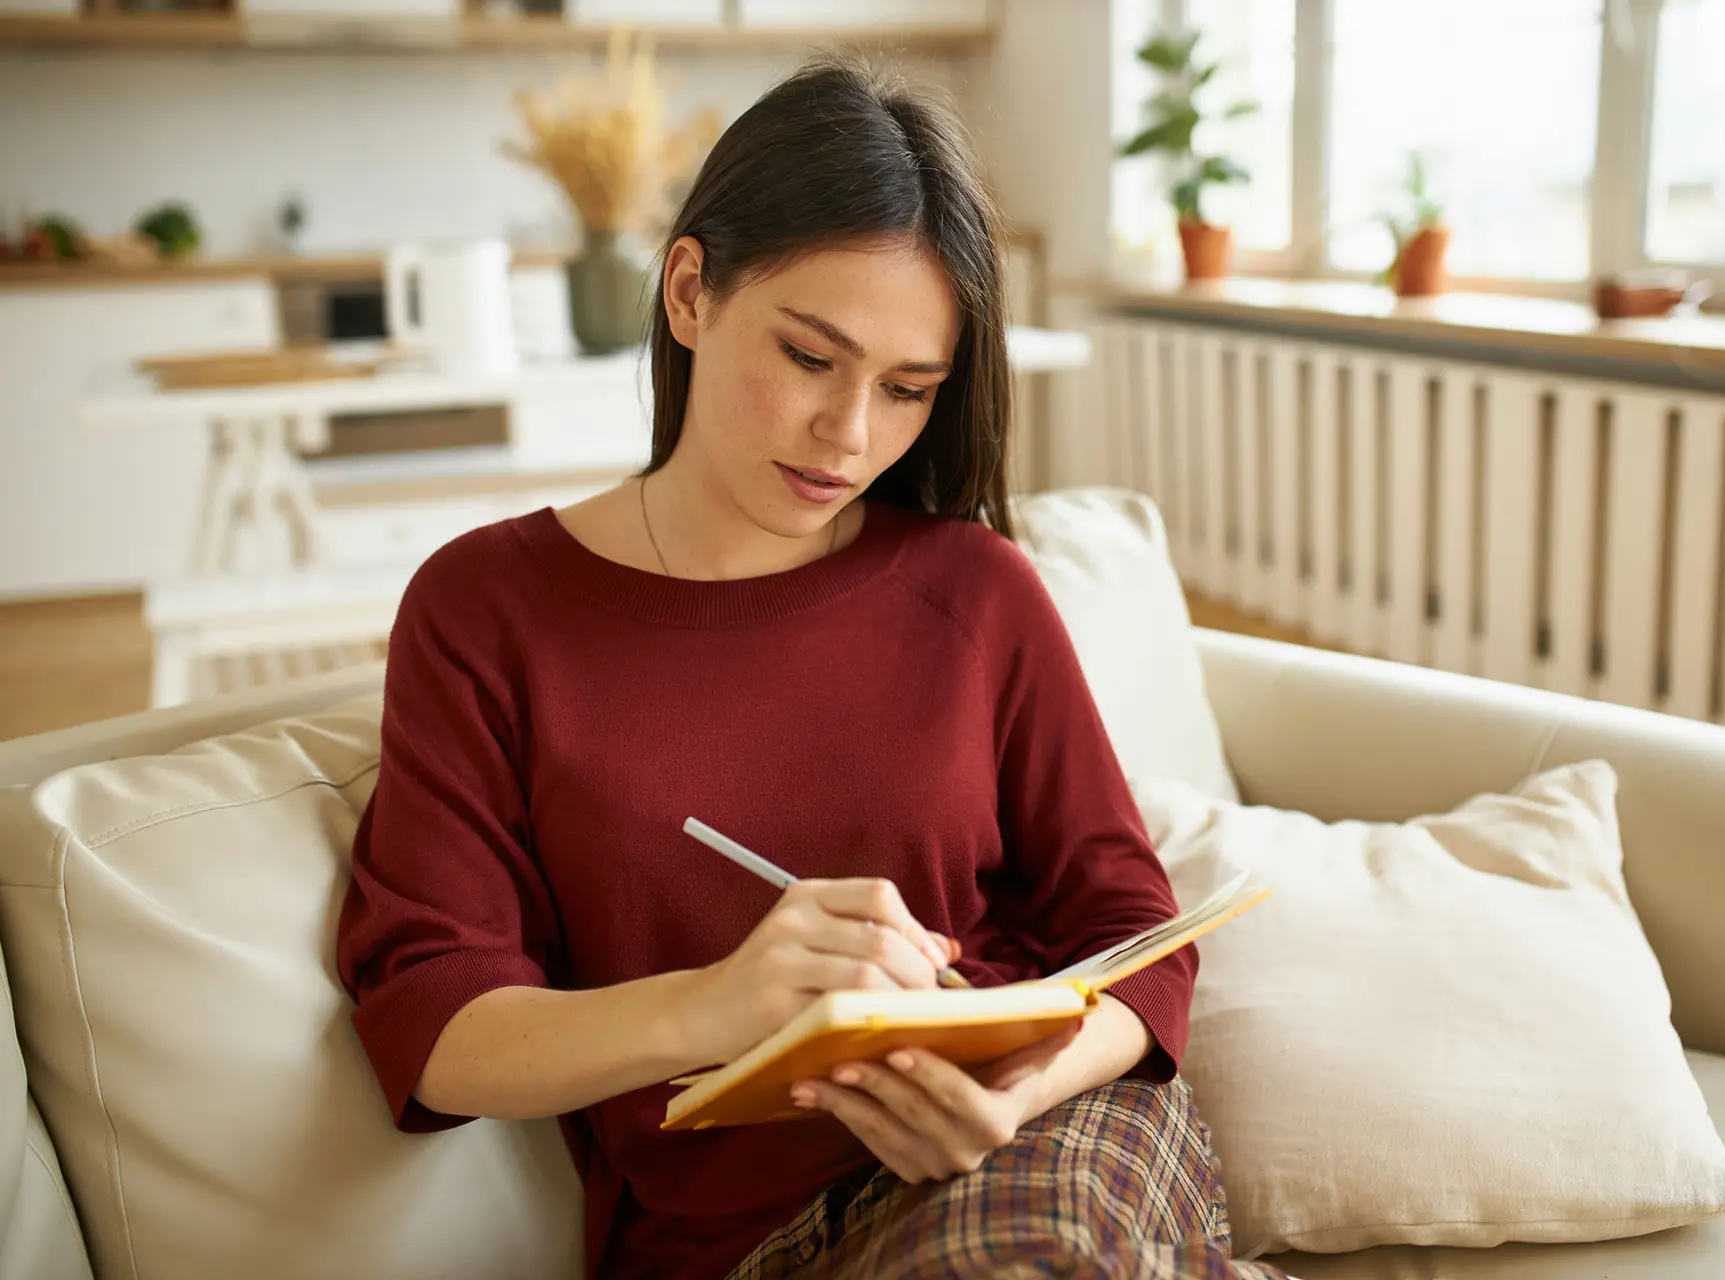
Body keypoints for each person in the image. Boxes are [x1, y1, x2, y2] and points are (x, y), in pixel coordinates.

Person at [337, 58, 1283, 1280]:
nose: (851, 436)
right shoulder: (487, 610)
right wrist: (725, 1000)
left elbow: (1138, 933)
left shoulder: (977, 589)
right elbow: (434, 1022)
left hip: (1046, 1144)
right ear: (689, 290)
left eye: (906, 391)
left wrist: (1018, 1083)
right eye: (810, 357)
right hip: (744, 1246)